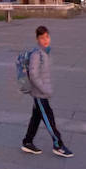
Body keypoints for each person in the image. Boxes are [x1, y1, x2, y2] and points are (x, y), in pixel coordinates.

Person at [21, 26, 72, 157]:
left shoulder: (45, 52)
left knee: (36, 117)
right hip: (40, 94)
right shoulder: (37, 54)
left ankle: (27, 142)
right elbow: (33, 75)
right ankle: (58, 145)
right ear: (37, 39)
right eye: (42, 38)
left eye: (47, 37)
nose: (45, 40)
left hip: (42, 93)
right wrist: (45, 89)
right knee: (49, 119)